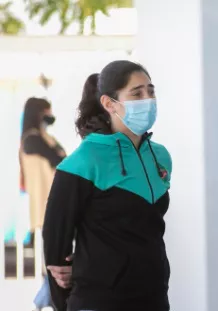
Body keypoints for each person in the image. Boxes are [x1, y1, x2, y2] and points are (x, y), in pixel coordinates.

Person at [43, 60, 172, 311]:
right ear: (109, 103)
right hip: (99, 301)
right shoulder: (83, 161)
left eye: (151, 91)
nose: (147, 100)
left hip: (154, 298)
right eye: (137, 93)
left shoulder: (160, 157)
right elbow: (55, 244)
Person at [20, 97, 66, 238]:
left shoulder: (46, 137)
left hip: (52, 205)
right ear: (38, 114)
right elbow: (59, 160)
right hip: (43, 209)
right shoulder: (32, 139)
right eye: (47, 112)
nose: (50, 115)